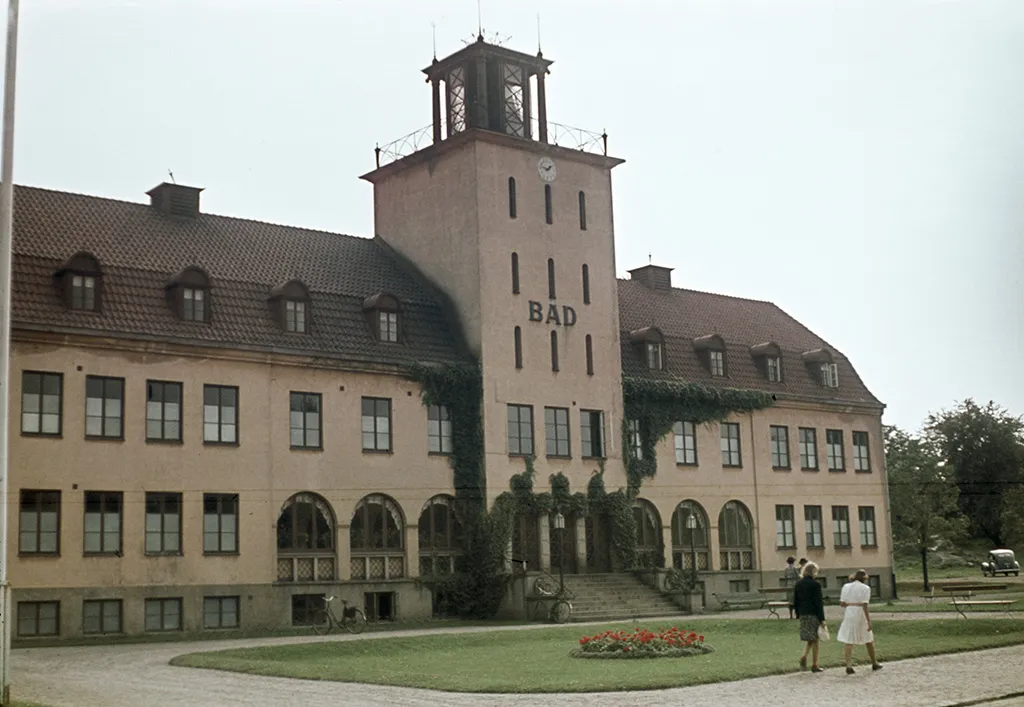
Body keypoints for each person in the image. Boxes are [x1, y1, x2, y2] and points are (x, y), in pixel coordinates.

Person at [838, 569, 883, 674]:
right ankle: (874, 662)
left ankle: (848, 665)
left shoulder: (846, 586)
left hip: (849, 612)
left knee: (849, 639)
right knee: (868, 638)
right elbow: (865, 604)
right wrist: (868, 620)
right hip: (860, 612)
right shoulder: (865, 588)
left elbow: (842, 603)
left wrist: (850, 604)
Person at [793, 560, 826, 673]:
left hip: (803, 613)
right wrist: (822, 619)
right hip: (813, 613)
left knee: (810, 638)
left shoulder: (798, 584)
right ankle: (815, 664)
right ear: (813, 572)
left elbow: (795, 600)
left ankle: (804, 656)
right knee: (815, 639)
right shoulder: (815, 584)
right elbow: (818, 603)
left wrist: (798, 614)